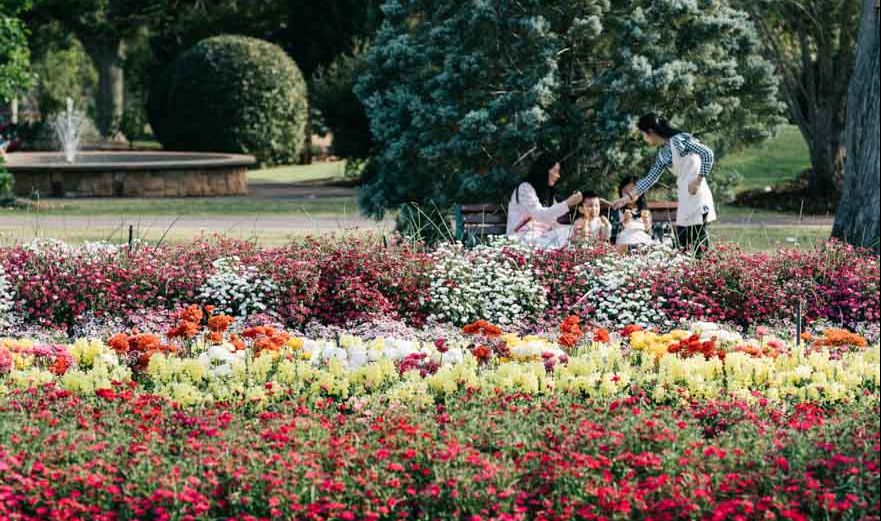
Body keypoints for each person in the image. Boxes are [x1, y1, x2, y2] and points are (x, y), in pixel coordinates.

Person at [612, 113, 717, 255]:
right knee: (683, 242)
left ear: (650, 132)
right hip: (685, 197)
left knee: (698, 239)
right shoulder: (663, 154)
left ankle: (705, 270)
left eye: (643, 135)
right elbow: (650, 179)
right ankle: (693, 272)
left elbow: (708, 154)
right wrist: (625, 199)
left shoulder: (680, 141)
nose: (644, 139)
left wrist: (698, 180)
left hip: (697, 194)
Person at [507, 153, 583, 249]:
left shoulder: (546, 193)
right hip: (522, 238)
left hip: (541, 238)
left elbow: (551, 222)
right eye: (555, 171)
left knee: (573, 232)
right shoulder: (525, 189)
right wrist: (567, 203)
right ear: (544, 171)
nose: (558, 176)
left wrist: (575, 228)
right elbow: (540, 215)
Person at [611, 177, 654, 253]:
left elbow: (648, 229)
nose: (629, 195)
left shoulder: (644, 210)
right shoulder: (619, 209)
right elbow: (616, 229)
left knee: (645, 245)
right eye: (625, 192)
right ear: (621, 193)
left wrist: (646, 221)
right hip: (625, 238)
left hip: (642, 237)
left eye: (632, 191)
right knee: (624, 244)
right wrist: (625, 219)